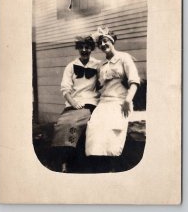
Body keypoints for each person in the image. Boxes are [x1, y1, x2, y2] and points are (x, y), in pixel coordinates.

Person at [85, 27, 140, 172]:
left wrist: (128, 101)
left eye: (105, 41)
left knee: (112, 135)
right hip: (104, 103)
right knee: (94, 130)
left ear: (112, 41)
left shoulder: (124, 58)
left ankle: (112, 169)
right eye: (100, 43)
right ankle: (99, 169)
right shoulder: (101, 66)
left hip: (120, 102)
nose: (103, 45)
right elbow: (98, 87)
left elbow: (134, 81)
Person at [51, 35, 100, 173]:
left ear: (91, 48)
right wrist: (73, 103)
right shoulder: (71, 66)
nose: (84, 50)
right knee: (62, 124)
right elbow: (65, 89)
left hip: (90, 102)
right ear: (78, 48)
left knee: (75, 124)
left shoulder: (97, 65)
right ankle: (64, 159)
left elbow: (104, 83)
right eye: (81, 47)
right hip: (73, 103)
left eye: (87, 47)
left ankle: (78, 160)